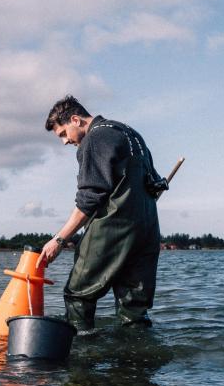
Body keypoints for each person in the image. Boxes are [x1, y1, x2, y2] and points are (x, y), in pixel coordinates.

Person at [36, 95, 167, 332]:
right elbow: (154, 182)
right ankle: (135, 364)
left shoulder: (95, 139)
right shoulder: (130, 133)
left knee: (78, 295)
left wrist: (59, 239)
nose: (65, 142)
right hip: (147, 230)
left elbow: (90, 198)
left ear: (75, 119)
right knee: (134, 307)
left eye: (63, 134)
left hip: (113, 227)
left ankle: (82, 359)